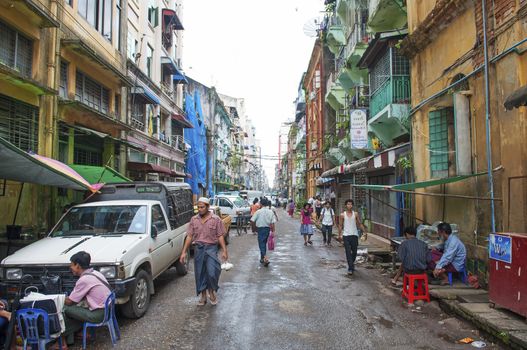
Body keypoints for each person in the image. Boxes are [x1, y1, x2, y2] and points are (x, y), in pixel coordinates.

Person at [180, 198, 228, 305]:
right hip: (199, 249)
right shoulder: (194, 219)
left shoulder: (216, 219)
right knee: (200, 273)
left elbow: (220, 236)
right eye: (198, 207)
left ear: (207, 207)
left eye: (202, 207)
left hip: (211, 249)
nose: (200, 209)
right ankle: (203, 296)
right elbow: (189, 236)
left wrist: (225, 250)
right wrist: (183, 252)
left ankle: (211, 291)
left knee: (212, 272)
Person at [62, 251, 111, 346]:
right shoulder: (95, 273)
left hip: (99, 314)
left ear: (78, 266)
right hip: (108, 310)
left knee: (64, 309)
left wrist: (57, 298)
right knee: (76, 309)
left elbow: (69, 302)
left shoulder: (84, 280)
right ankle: (78, 334)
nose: (70, 268)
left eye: (71, 265)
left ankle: (62, 342)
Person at [338, 200, 367, 275]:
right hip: (346, 235)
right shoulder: (342, 215)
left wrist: (364, 232)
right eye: (348, 204)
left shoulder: (356, 214)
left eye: (351, 204)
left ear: (352, 205)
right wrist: (339, 235)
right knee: (348, 252)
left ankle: (352, 264)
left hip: (354, 235)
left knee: (354, 251)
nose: (349, 205)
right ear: (345, 205)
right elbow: (340, 225)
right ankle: (350, 268)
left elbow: (359, 223)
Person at [250, 198, 276, 267]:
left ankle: (265, 258)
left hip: (260, 229)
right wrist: (273, 231)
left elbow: (252, 220)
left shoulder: (258, 212)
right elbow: (273, 223)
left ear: (261, 204)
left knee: (261, 243)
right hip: (267, 229)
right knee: (264, 243)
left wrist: (254, 228)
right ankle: (262, 258)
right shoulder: (270, 212)